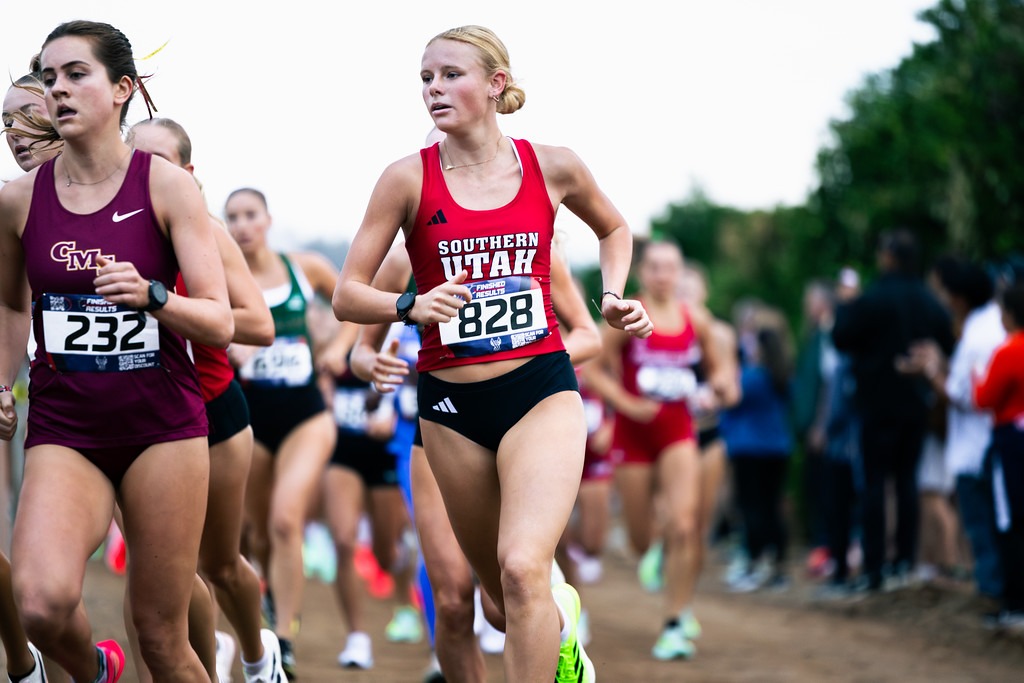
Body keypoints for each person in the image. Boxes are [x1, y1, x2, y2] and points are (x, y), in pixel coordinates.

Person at [333, 25, 651, 682]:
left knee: (523, 566)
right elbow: (345, 294)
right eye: (426, 78)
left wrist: (614, 294)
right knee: (497, 602)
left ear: (495, 84)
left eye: (451, 74)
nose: (434, 88)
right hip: (450, 405)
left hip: (540, 388)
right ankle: (559, 632)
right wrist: (408, 308)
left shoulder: (552, 164)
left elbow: (615, 227)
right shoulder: (404, 179)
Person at [0, 19, 232, 683]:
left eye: (77, 74)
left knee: (162, 637)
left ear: (122, 88)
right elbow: (14, 304)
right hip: (65, 426)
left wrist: (154, 295)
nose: (59, 90)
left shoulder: (166, 186)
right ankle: (94, 671)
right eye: (49, 78)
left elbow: (218, 321)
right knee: (41, 604)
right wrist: (0, 381)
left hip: (163, 428)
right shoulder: (19, 202)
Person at [127, 118, 286, 683]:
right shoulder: (109, 230)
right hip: (138, 418)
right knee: (160, 572)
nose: (143, 175)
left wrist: (164, 303)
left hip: (213, 411)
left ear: (189, 174)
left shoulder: (206, 232)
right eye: (133, 159)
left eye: (160, 163)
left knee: (219, 563)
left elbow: (260, 327)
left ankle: (256, 653)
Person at [583, 239, 730, 660]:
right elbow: (592, 365)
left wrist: (714, 389)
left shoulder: (695, 319)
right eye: (655, 268)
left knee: (685, 525)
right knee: (639, 540)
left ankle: (674, 621)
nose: (664, 275)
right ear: (643, 273)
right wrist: (626, 404)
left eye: (671, 268)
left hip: (678, 432)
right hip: (633, 435)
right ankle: (654, 551)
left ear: (680, 273)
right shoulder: (629, 312)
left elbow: (716, 372)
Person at [225, 187, 339, 679]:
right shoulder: (224, 277)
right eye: (232, 218)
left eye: (250, 215)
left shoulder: (305, 267)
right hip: (250, 417)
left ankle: (285, 639)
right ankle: (266, 612)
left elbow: (353, 301)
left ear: (268, 219)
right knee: (254, 533)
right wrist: (230, 347)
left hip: (306, 414)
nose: (242, 225)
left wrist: (340, 349)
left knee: (286, 519)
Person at [832, 229, 956, 590]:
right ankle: (903, 561)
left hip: (874, 406)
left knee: (873, 484)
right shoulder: (928, 301)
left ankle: (874, 568)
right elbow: (949, 342)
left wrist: (846, 305)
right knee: (906, 482)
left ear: (888, 256)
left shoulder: (872, 299)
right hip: (915, 406)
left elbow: (841, 337)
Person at [0, 72, 61, 683]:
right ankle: (32, 664)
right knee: (41, 590)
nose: (12, 134)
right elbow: (13, 304)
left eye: (24, 118)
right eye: (4, 123)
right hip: (49, 403)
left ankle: (246, 656)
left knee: (167, 594)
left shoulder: (145, 185)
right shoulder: (12, 200)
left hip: (148, 403)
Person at [719, 304, 795, 592]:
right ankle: (778, 567)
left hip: (748, 449)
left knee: (751, 507)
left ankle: (754, 563)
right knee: (773, 506)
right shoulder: (783, 376)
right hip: (778, 448)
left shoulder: (750, 377)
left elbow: (728, 398)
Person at [973, 281, 1024, 631]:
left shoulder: (1008, 352)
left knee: (1010, 521)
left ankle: (1015, 603)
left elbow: (983, 398)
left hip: (1011, 442)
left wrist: (976, 375)